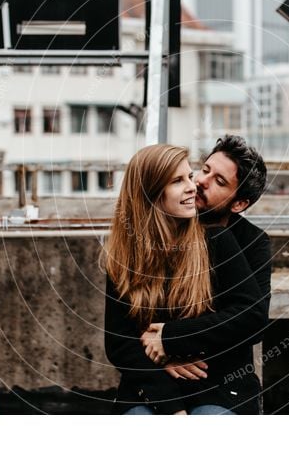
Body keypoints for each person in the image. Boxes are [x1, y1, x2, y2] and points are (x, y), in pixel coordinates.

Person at [103, 144, 267, 415]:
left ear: (239, 203)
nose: (197, 184)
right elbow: (120, 343)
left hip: (214, 381)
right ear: (151, 194)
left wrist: (169, 340)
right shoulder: (124, 256)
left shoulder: (221, 242)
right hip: (152, 383)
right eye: (189, 177)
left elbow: (251, 318)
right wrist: (171, 404)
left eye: (219, 181)